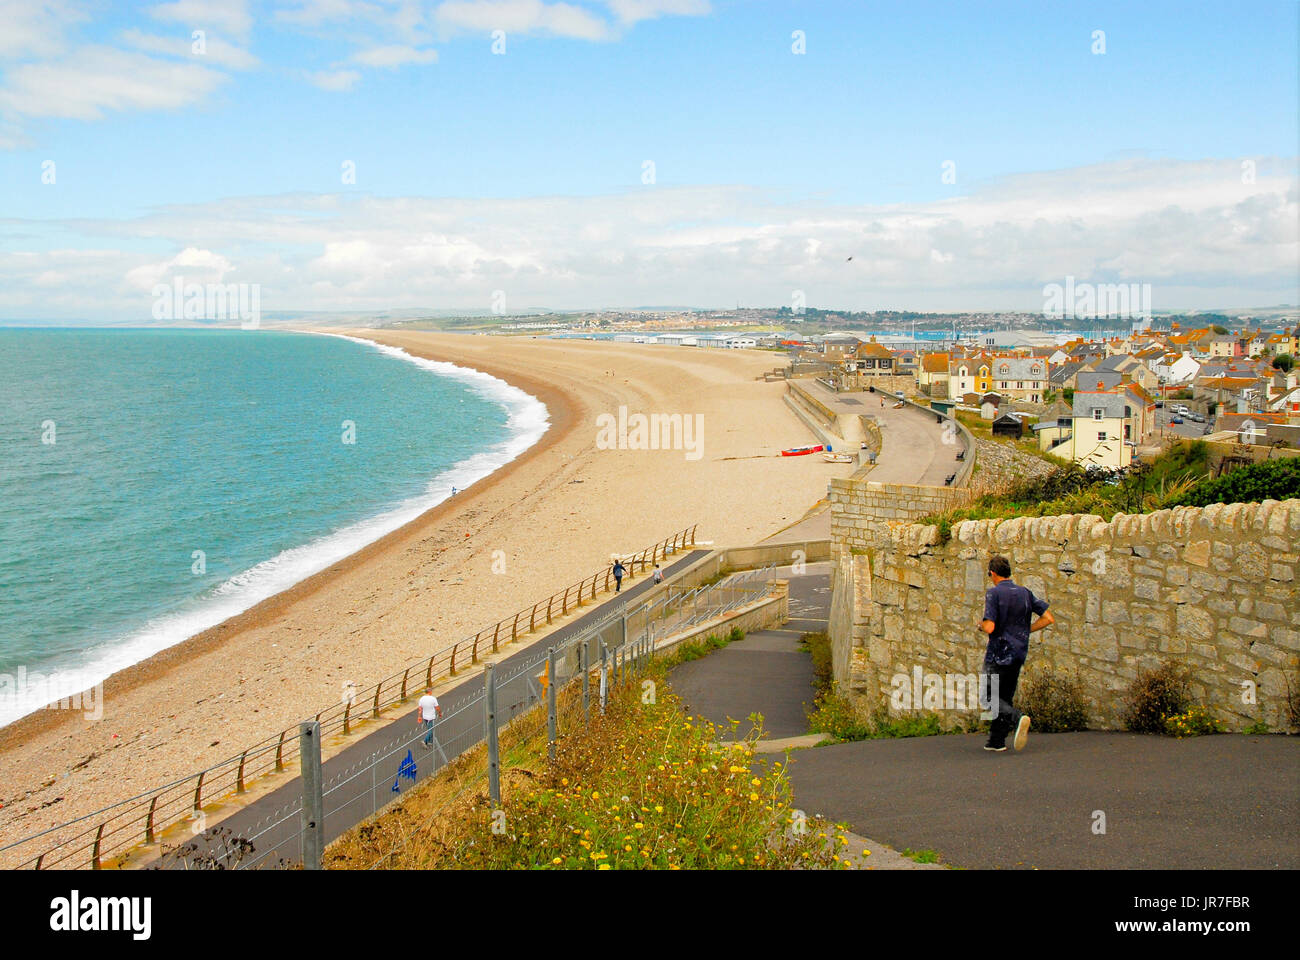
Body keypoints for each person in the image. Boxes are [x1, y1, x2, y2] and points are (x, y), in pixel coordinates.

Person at [978, 555, 1054, 752]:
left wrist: (981, 625)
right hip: (1019, 651)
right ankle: (996, 741)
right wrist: (1027, 630)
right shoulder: (1025, 593)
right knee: (1004, 696)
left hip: (998, 653)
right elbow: (1047, 618)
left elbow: (990, 626)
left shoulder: (994, 594)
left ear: (993, 573)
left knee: (988, 696)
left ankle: (1017, 717)